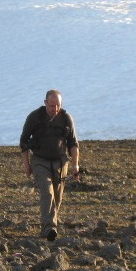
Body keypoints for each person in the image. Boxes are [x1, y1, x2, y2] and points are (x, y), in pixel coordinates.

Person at [20, 89, 81, 242]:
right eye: (51, 105)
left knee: (57, 198)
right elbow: (24, 142)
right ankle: (50, 228)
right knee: (47, 193)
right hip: (40, 161)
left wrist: (75, 166)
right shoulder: (34, 117)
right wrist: (27, 165)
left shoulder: (66, 118)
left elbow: (73, 144)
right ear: (45, 102)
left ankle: (46, 227)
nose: (54, 109)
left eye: (57, 105)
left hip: (60, 162)